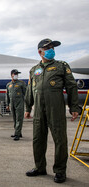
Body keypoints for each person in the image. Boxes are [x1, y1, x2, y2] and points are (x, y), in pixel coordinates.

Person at [25, 39, 79, 183]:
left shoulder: (61, 66)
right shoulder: (34, 70)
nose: (51, 50)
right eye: (48, 47)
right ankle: (39, 167)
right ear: (40, 52)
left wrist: (74, 107)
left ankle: (60, 171)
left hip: (56, 109)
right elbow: (30, 90)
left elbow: (71, 86)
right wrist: (27, 107)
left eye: (52, 47)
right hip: (38, 112)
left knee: (60, 140)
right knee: (37, 140)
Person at [6, 69, 26, 141]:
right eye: (15, 74)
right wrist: (7, 104)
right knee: (14, 119)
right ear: (12, 75)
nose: (16, 75)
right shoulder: (8, 85)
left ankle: (17, 134)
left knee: (19, 119)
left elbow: (25, 93)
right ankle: (18, 132)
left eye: (17, 74)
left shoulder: (21, 83)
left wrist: (27, 103)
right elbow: (7, 95)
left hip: (19, 103)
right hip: (12, 104)